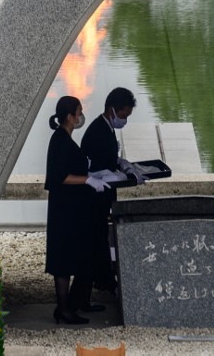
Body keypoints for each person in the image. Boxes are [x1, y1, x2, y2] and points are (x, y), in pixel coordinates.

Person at [44, 95, 110, 324]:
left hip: (74, 209)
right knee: (62, 259)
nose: (81, 116)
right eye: (79, 112)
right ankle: (63, 309)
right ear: (70, 116)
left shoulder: (66, 138)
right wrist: (87, 180)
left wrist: (92, 173)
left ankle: (79, 302)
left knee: (79, 253)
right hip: (63, 210)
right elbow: (58, 177)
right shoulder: (59, 140)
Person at [80, 87, 140, 292]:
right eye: (124, 115)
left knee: (101, 236)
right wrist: (120, 175)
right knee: (97, 237)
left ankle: (103, 277)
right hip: (95, 195)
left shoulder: (107, 127)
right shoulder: (97, 131)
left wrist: (122, 164)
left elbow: (108, 159)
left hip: (104, 193)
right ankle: (102, 280)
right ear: (112, 110)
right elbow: (93, 167)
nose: (125, 120)